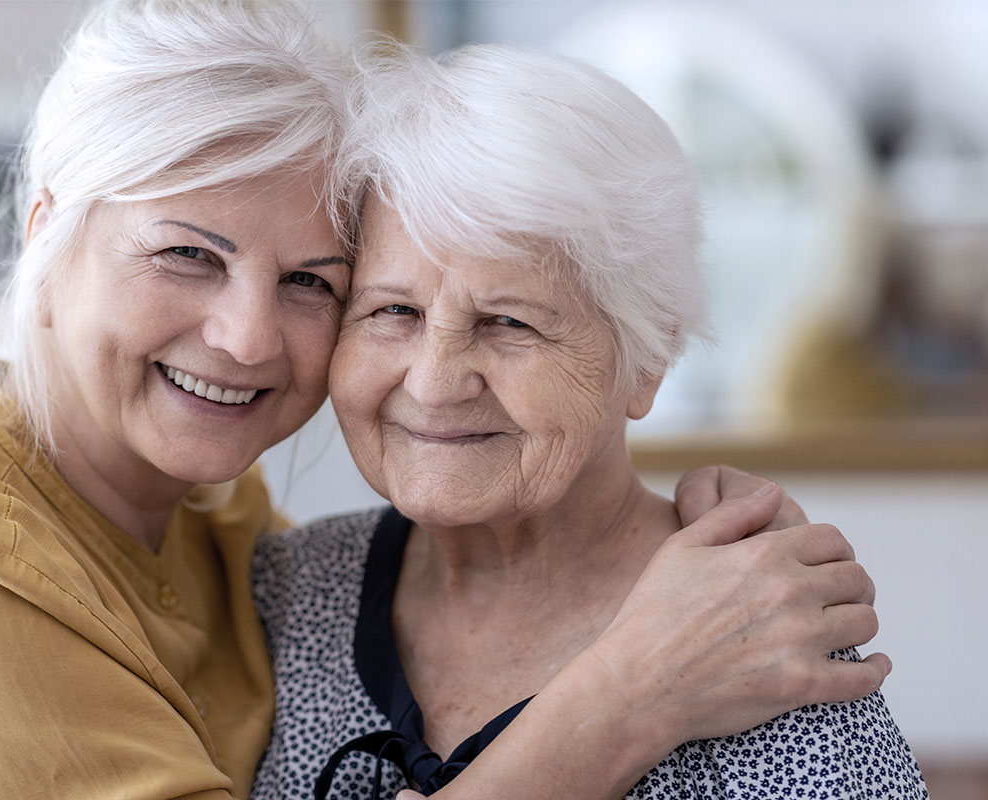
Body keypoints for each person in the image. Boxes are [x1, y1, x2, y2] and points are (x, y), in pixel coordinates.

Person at [0, 2, 887, 798]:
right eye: (186, 253)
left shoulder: (229, 539)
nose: (247, 335)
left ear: (648, 360)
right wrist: (629, 693)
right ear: (49, 231)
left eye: (308, 282)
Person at [251, 42, 926, 800]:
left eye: (510, 322)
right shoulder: (283, 595)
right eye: (394, 311)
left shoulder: (763, 634)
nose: (436, 383)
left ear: (648, 361)